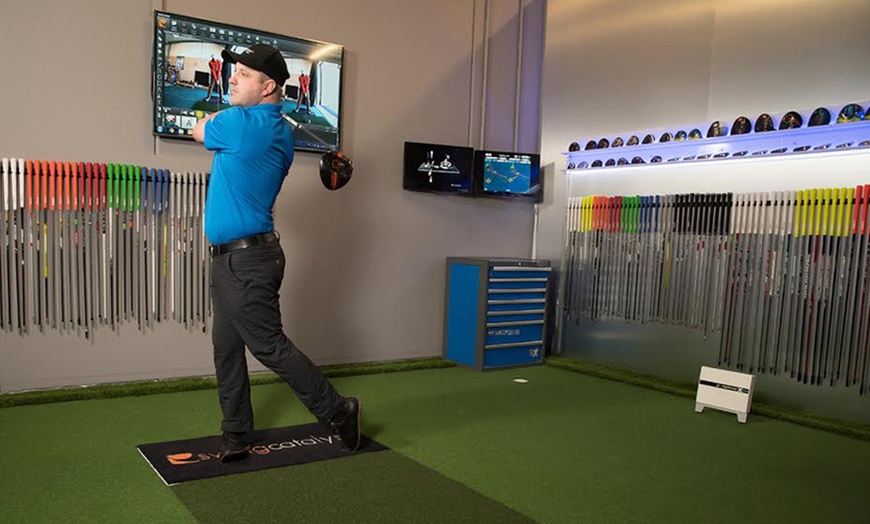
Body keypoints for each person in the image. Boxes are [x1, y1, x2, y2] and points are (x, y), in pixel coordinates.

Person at [192, 44, 361, 462]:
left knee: (268, 347)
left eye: (243, 74)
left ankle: (339, 411)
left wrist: (213, 118)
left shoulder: (241, 125)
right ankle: (235, 433)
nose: (232, 77)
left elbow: (198, 130)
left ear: (268, 86)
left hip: (245, 261)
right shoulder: (274, 128)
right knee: (227, 347)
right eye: (234, 71)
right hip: (239, 258)